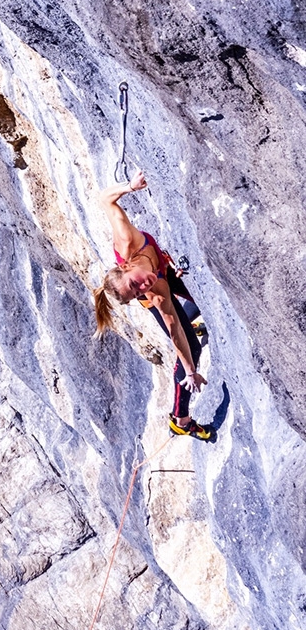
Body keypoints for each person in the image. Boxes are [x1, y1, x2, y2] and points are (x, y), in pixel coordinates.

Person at [93, 171, 213, 440]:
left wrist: (130, 187)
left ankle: (194, 325)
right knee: (190, 349)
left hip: (162, 268)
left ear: (124, 267)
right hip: (162, 276)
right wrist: (191, 372)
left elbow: (105, 200)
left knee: (198, 304)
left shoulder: (127, 242)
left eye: (135, 285)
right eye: (137, 294)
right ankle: (180, 419)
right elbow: (174, 334)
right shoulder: (155, 293)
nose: (142, 288)